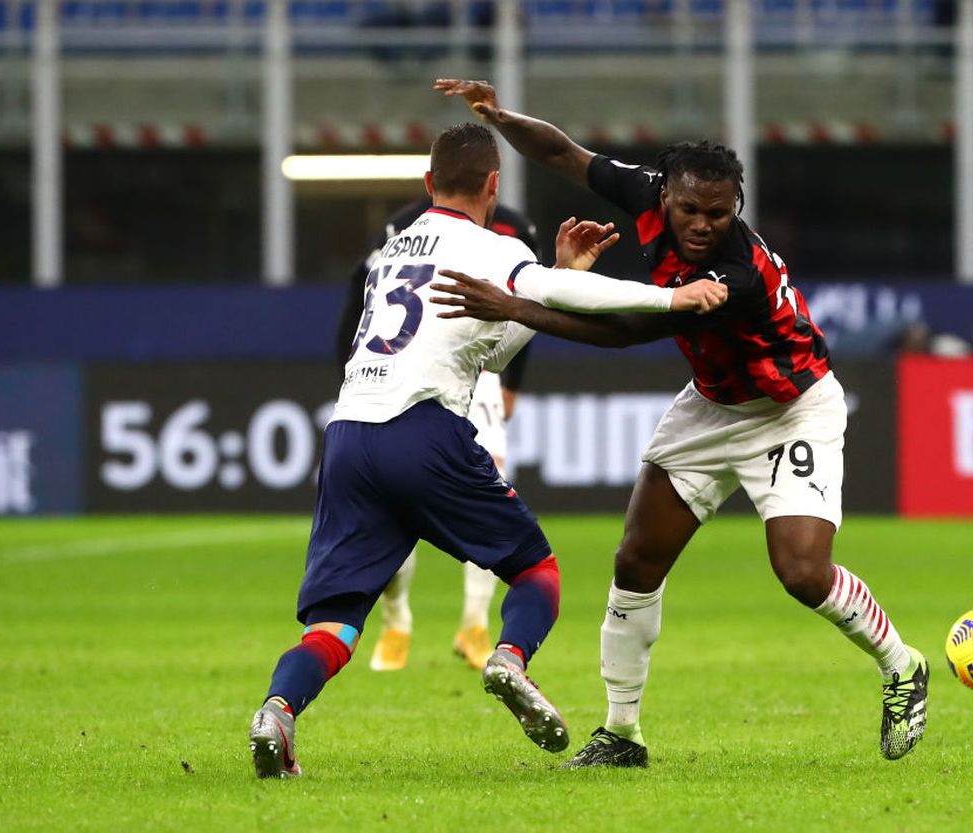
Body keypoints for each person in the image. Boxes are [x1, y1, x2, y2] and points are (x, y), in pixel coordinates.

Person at [431, 79, 929, 768]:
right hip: (711, 403)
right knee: (636, 559)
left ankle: (903, 666)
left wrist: (517, 307)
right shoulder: (646, 192)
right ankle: (621, 733)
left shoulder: (736, 276)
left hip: (791, 410)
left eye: (718, 214)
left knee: (802, 572)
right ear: (665, 194)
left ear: (736, 210)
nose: (701, 225)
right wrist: (497, 115)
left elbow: (627, 332)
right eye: (690, 209)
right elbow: (564, 154)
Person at [248, 122, 727, 779]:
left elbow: (488, 345)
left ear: (427, 185)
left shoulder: (392, 253)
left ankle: (278, 709)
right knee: (538, 573)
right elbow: (566, 298)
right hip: (422, 429)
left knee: (333, 621)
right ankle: (508, 657)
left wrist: (555, 272)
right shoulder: (488, 244)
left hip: (350, 435)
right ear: (494, 187)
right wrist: (672, 296)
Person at [336, 197, 541, 672]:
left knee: (492, 480)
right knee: (389, 503)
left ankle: (474, 623)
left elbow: (523, 306)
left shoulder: (512, 227)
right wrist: (351, 372)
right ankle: (396, 620)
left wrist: (512, 383)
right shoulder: (404, 223)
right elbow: (357, 299)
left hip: (481, 368)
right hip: (402, 373)